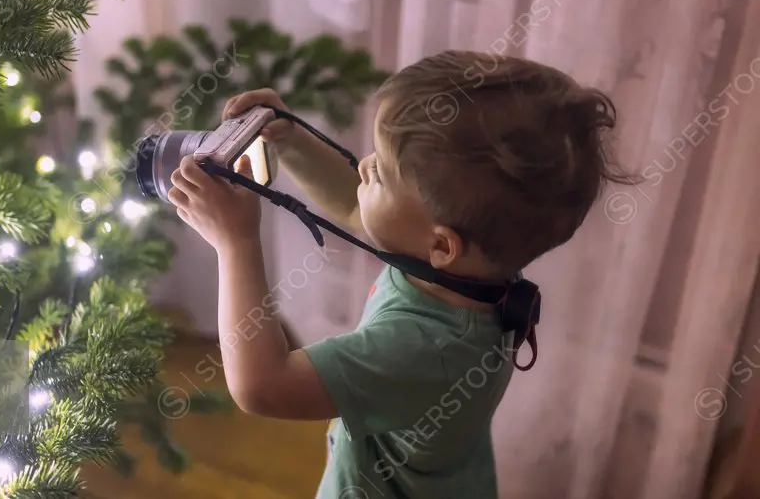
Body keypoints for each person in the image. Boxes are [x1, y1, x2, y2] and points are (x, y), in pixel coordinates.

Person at [167, 50, 635, 499]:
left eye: (383, 172)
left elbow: (262, 386)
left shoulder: (425, 349)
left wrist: (237, 244)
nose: (365, 165)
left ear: (441, 245)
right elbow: (358, 205)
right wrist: (292, 140)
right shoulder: (475, 269)